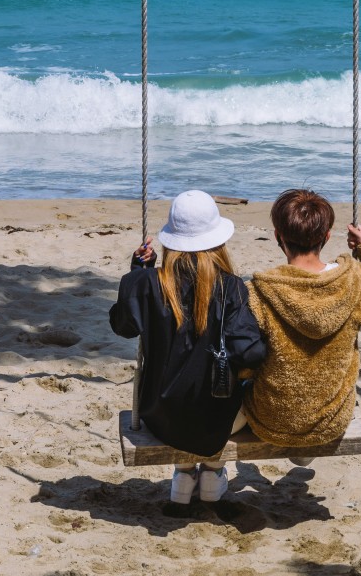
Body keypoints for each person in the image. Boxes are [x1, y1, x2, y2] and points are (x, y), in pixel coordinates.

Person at [109, 189, 266, 515]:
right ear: (217, 241)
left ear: (172, 240)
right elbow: (249, 354)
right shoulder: (232, 288)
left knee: (185, 403)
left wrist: (138, 273)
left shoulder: (147, 284)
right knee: (239, 395)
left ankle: (182, 479)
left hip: (159, 418)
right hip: (216, 425)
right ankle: (211, 477)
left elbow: (123, 325)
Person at [244, 187, 361, 448]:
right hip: (330, 423)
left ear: (278, 235)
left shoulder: (258, 291)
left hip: (272, 422)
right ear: (326, 236)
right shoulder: (354, 281)